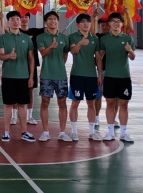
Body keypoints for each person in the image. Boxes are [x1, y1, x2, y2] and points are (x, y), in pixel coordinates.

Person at [0, 10, 36, 142]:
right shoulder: (3, 38)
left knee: (22, 105)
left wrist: (31, 77)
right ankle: (6, 131)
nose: (15, 21)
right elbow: (1, 56)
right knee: (8, 105)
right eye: (12, 19)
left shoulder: (27, 39)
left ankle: (24, 132)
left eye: (17, 19)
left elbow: (31, 59)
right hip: (8, 76)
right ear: (8, 22)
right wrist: (9, 56)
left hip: (23, 77)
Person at [96, 13, 135, 143]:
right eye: (113, 21)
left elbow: (132, 57)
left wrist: (130, 50)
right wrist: (100, 73)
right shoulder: (104, 39)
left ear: (122, 24)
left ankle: (123, 133)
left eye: (118, 21)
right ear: (110, 24)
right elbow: (100, 57)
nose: (116, 23)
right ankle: (110, 132)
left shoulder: (128, 38)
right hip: (109, 77)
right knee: (110, 103)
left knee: (123, 105)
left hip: (124, 77)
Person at [35, 11, 71, 142]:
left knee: (62, 103)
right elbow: (43, 54)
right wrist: (51, 46)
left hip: (61, 75)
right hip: (46, 75)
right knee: (45, 102)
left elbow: (65, 56)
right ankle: (45, 132)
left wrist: (59, 64)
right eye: (49, 19)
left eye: (55, 19)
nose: (52, 21)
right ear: (46, 22)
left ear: (58, 22)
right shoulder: (41, 37)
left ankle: (62, 132)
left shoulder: (64, 38)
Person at [68, 13, 103, 142]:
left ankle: (92, 132)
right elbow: (73, 51)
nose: (86, 24)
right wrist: (81, 43)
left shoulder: (95, 39)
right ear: (78, 24)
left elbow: (98, 58)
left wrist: (99, 74)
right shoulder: (73, 37)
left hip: (91, 75)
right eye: (83, 22)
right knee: (75, 102)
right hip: (77, 74)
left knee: (91, 103)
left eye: (88, 22)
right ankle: (74, 132)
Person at [20, 12, 42, 126]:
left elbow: (49, 29)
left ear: (29, 19)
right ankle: (14, 116)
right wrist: (1, 20)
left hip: (32, 65)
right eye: (21, 17)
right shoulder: (16, 32)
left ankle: (29, 116)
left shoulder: (35, 32)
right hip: (19, 64)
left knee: (30, 90)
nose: (24, 19)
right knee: (17, 90)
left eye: (26, 17)